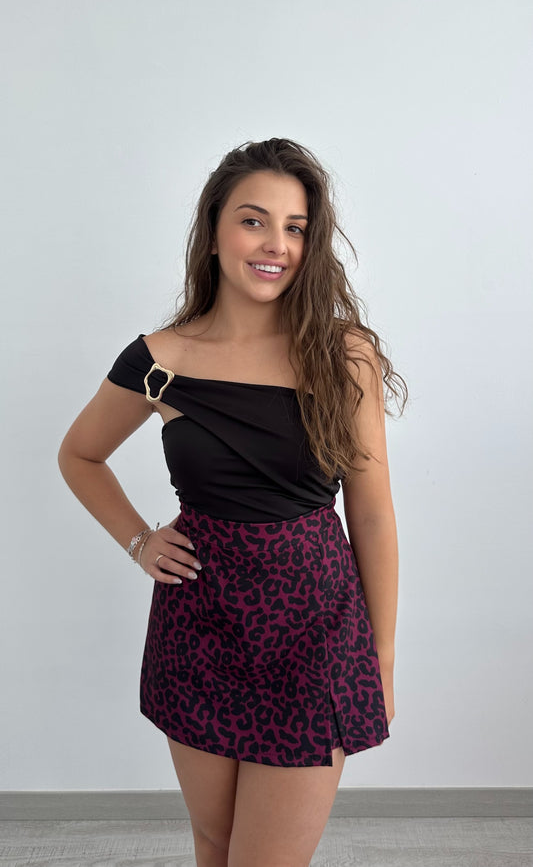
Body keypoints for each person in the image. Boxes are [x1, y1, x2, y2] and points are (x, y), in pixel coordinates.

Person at [58, 137, 406, 867]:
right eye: (254, 221)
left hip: (315, 634)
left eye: (295, 227)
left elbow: (371, 515)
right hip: (200, 628)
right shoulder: (160, 360)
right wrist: (139, 541)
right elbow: (80, 455)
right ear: (214, 232)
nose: (276, 243)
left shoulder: (343, 355)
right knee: (214, 844)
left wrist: (379, 655)